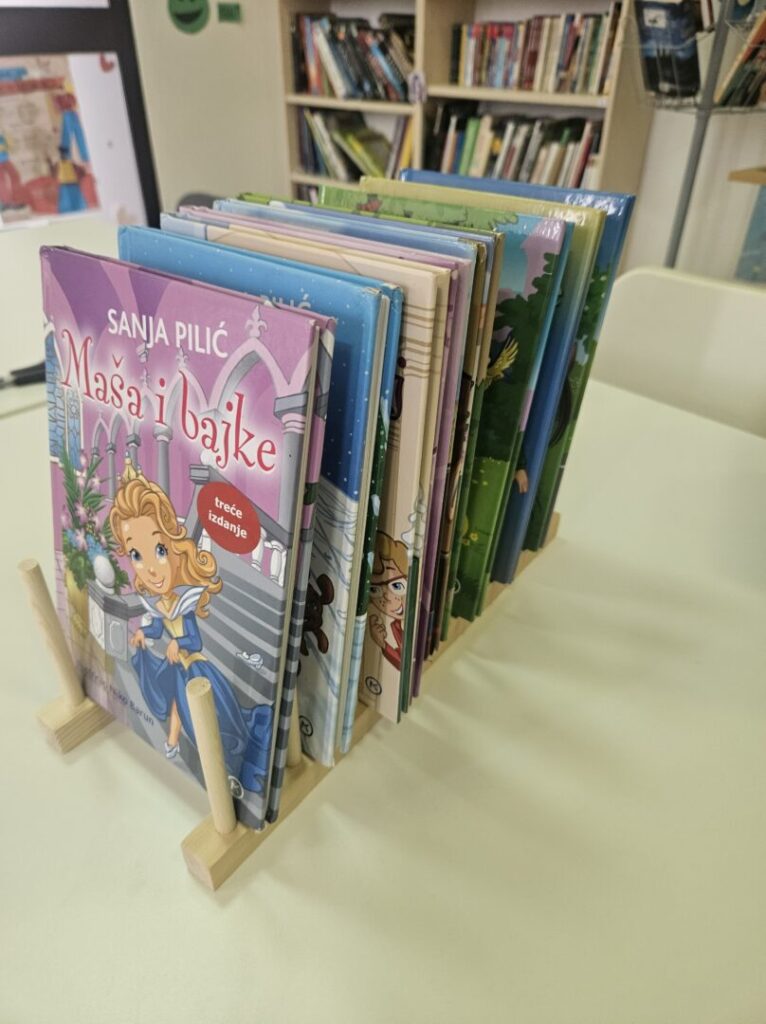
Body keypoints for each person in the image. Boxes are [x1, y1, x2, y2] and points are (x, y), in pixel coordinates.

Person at [109, 462, 272, 796]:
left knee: (205, 716)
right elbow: (157, 629)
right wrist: (143, 634)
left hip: (195, 667)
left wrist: (179, 643)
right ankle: (172, 742)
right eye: (137, 555)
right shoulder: (159, 602)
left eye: (158, 551)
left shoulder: (184, 601)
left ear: (173, 546)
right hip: (176, 667)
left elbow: (194, 639)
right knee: (174, 702)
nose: (150, 568)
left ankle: (203, 753)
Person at [368, 532, 409, 670]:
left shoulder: (404, 623)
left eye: (397, 586)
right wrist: (382, 643)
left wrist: (383, 644)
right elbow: (402, 662)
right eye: (374, 590)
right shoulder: (394, 626)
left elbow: (404, 663)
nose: (386, 598)